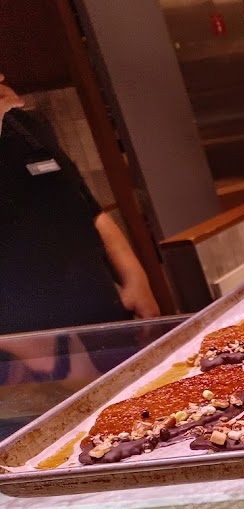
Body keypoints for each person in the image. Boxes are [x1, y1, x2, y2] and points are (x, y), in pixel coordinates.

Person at [0, 73, 160, 335]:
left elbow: (88, 206)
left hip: (97, 304)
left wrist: (134, 278)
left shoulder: (25, 123)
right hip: (28, 336)